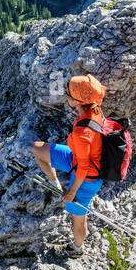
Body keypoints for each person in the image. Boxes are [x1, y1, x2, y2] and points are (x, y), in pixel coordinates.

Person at [30, 74, 107, 255]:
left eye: (69, 94)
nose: (67, 96)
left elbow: (85, 166)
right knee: (37, 149)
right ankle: (54, 181)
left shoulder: (82, 131)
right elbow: (82, 159)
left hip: (88, 178)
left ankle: (77, 248)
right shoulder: (95, 109)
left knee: (78, 219)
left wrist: (72, 192)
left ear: (78, 101)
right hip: (77, 160)